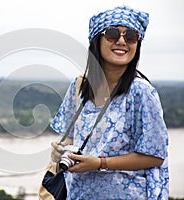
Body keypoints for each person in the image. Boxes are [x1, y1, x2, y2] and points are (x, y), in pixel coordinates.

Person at [50, 5, 169, 200]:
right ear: (96, 41)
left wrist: (99, 163)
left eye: (130, 36)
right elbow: (71, 138)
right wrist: (59, 153)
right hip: (78, 194)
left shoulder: (141, 92)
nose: (122, 41)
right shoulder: (79, 87)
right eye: (113, 34)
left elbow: (154, 155)